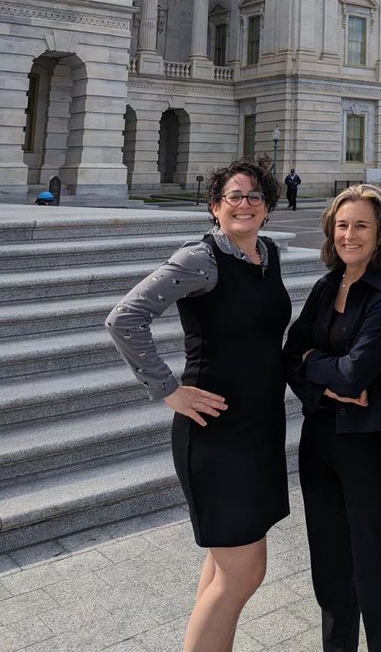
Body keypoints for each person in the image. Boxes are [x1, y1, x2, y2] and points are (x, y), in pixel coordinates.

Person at [106, 157, 291, 652]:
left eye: (255, 196)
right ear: (215, 207)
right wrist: (167, 389)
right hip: (216, 434)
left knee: (222, 569)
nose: (245, 204)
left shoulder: (267, 254)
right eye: (234, 196)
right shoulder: (200, 259)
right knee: (244, 572)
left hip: (260, 429)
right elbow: (125, 318)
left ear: (268, 208)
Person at [284, 184, 381, 652]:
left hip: (369, 446)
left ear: (380, 232)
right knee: (332, 569)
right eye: (342, 225)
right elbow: (289, 355)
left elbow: (356, 370)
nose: (349, 234)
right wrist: (325, 379)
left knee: (378, 568)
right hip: (320, 440)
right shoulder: (327, 285)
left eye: (361, 224)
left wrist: (314, 365)